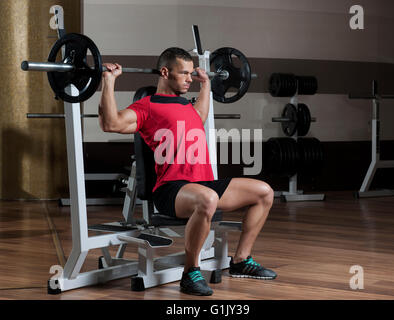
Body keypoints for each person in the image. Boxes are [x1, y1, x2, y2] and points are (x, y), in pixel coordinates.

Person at [98, 47, 276, 296]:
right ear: (164, 72)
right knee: (208, 198)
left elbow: (200, 116)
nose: (189, 79)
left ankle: (241, 261)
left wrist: (206, 85)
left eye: (192, 74)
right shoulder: (146, 106)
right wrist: (108, 81)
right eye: (184, 73)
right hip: (171, 189)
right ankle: (190, 273)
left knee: (264, 192)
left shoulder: (186, 106)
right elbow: (111, 123)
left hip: (203, 185)